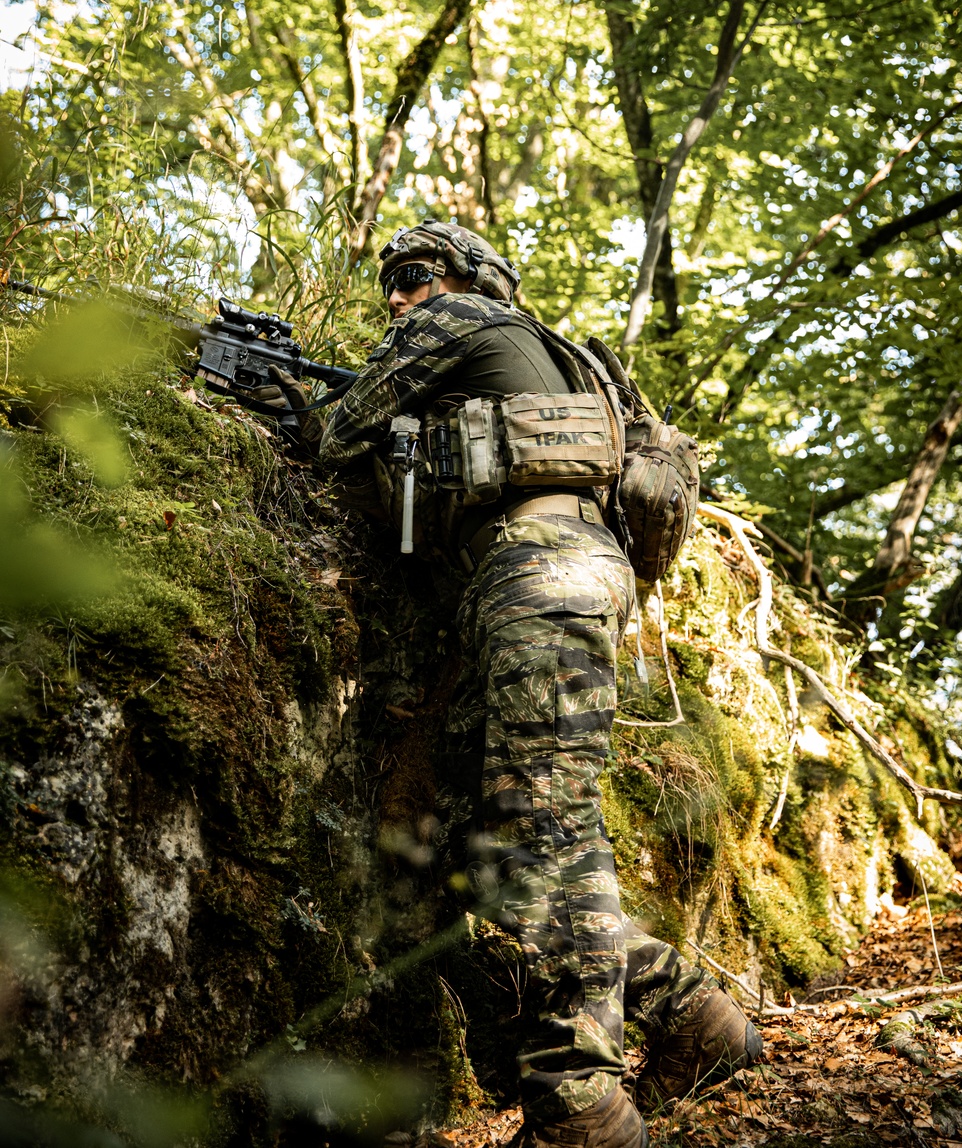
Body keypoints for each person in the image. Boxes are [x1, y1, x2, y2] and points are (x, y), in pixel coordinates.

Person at [261, 221, 761, 1148]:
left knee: (545, 836)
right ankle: (698, 1021)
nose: (399, 297)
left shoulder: (460, 319)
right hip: (547, 581)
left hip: (539, 578)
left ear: (464, 277)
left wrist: (290, 397)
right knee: (487, 853)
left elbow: (336, 439)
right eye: (393, 286)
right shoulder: (555, 358)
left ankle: (583, 1110)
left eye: (413, 275)